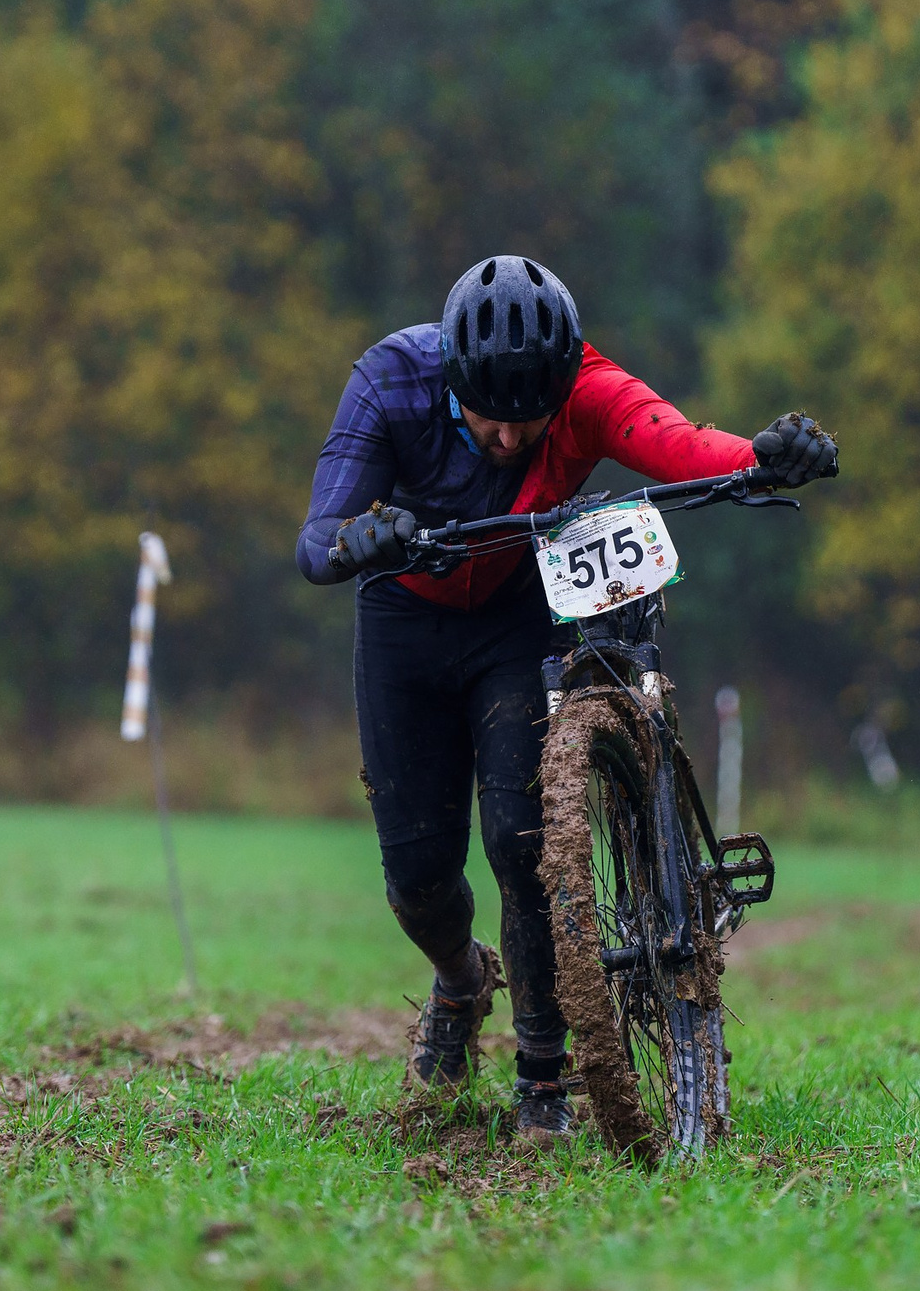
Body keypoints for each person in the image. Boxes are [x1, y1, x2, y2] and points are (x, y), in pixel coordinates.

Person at [295, 255, 836, 1142]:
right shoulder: (391, 379)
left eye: (530, 420)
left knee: (524, 839)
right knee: (420, 879)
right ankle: (463, 980)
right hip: (405, 620)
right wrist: (363, 538)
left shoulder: (587, 386)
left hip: (514, 614)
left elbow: (672, 438)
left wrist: (760, 457)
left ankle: (542, 1080)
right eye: (488, 421)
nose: (510, 439)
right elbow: (317, 540)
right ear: (452, 383)